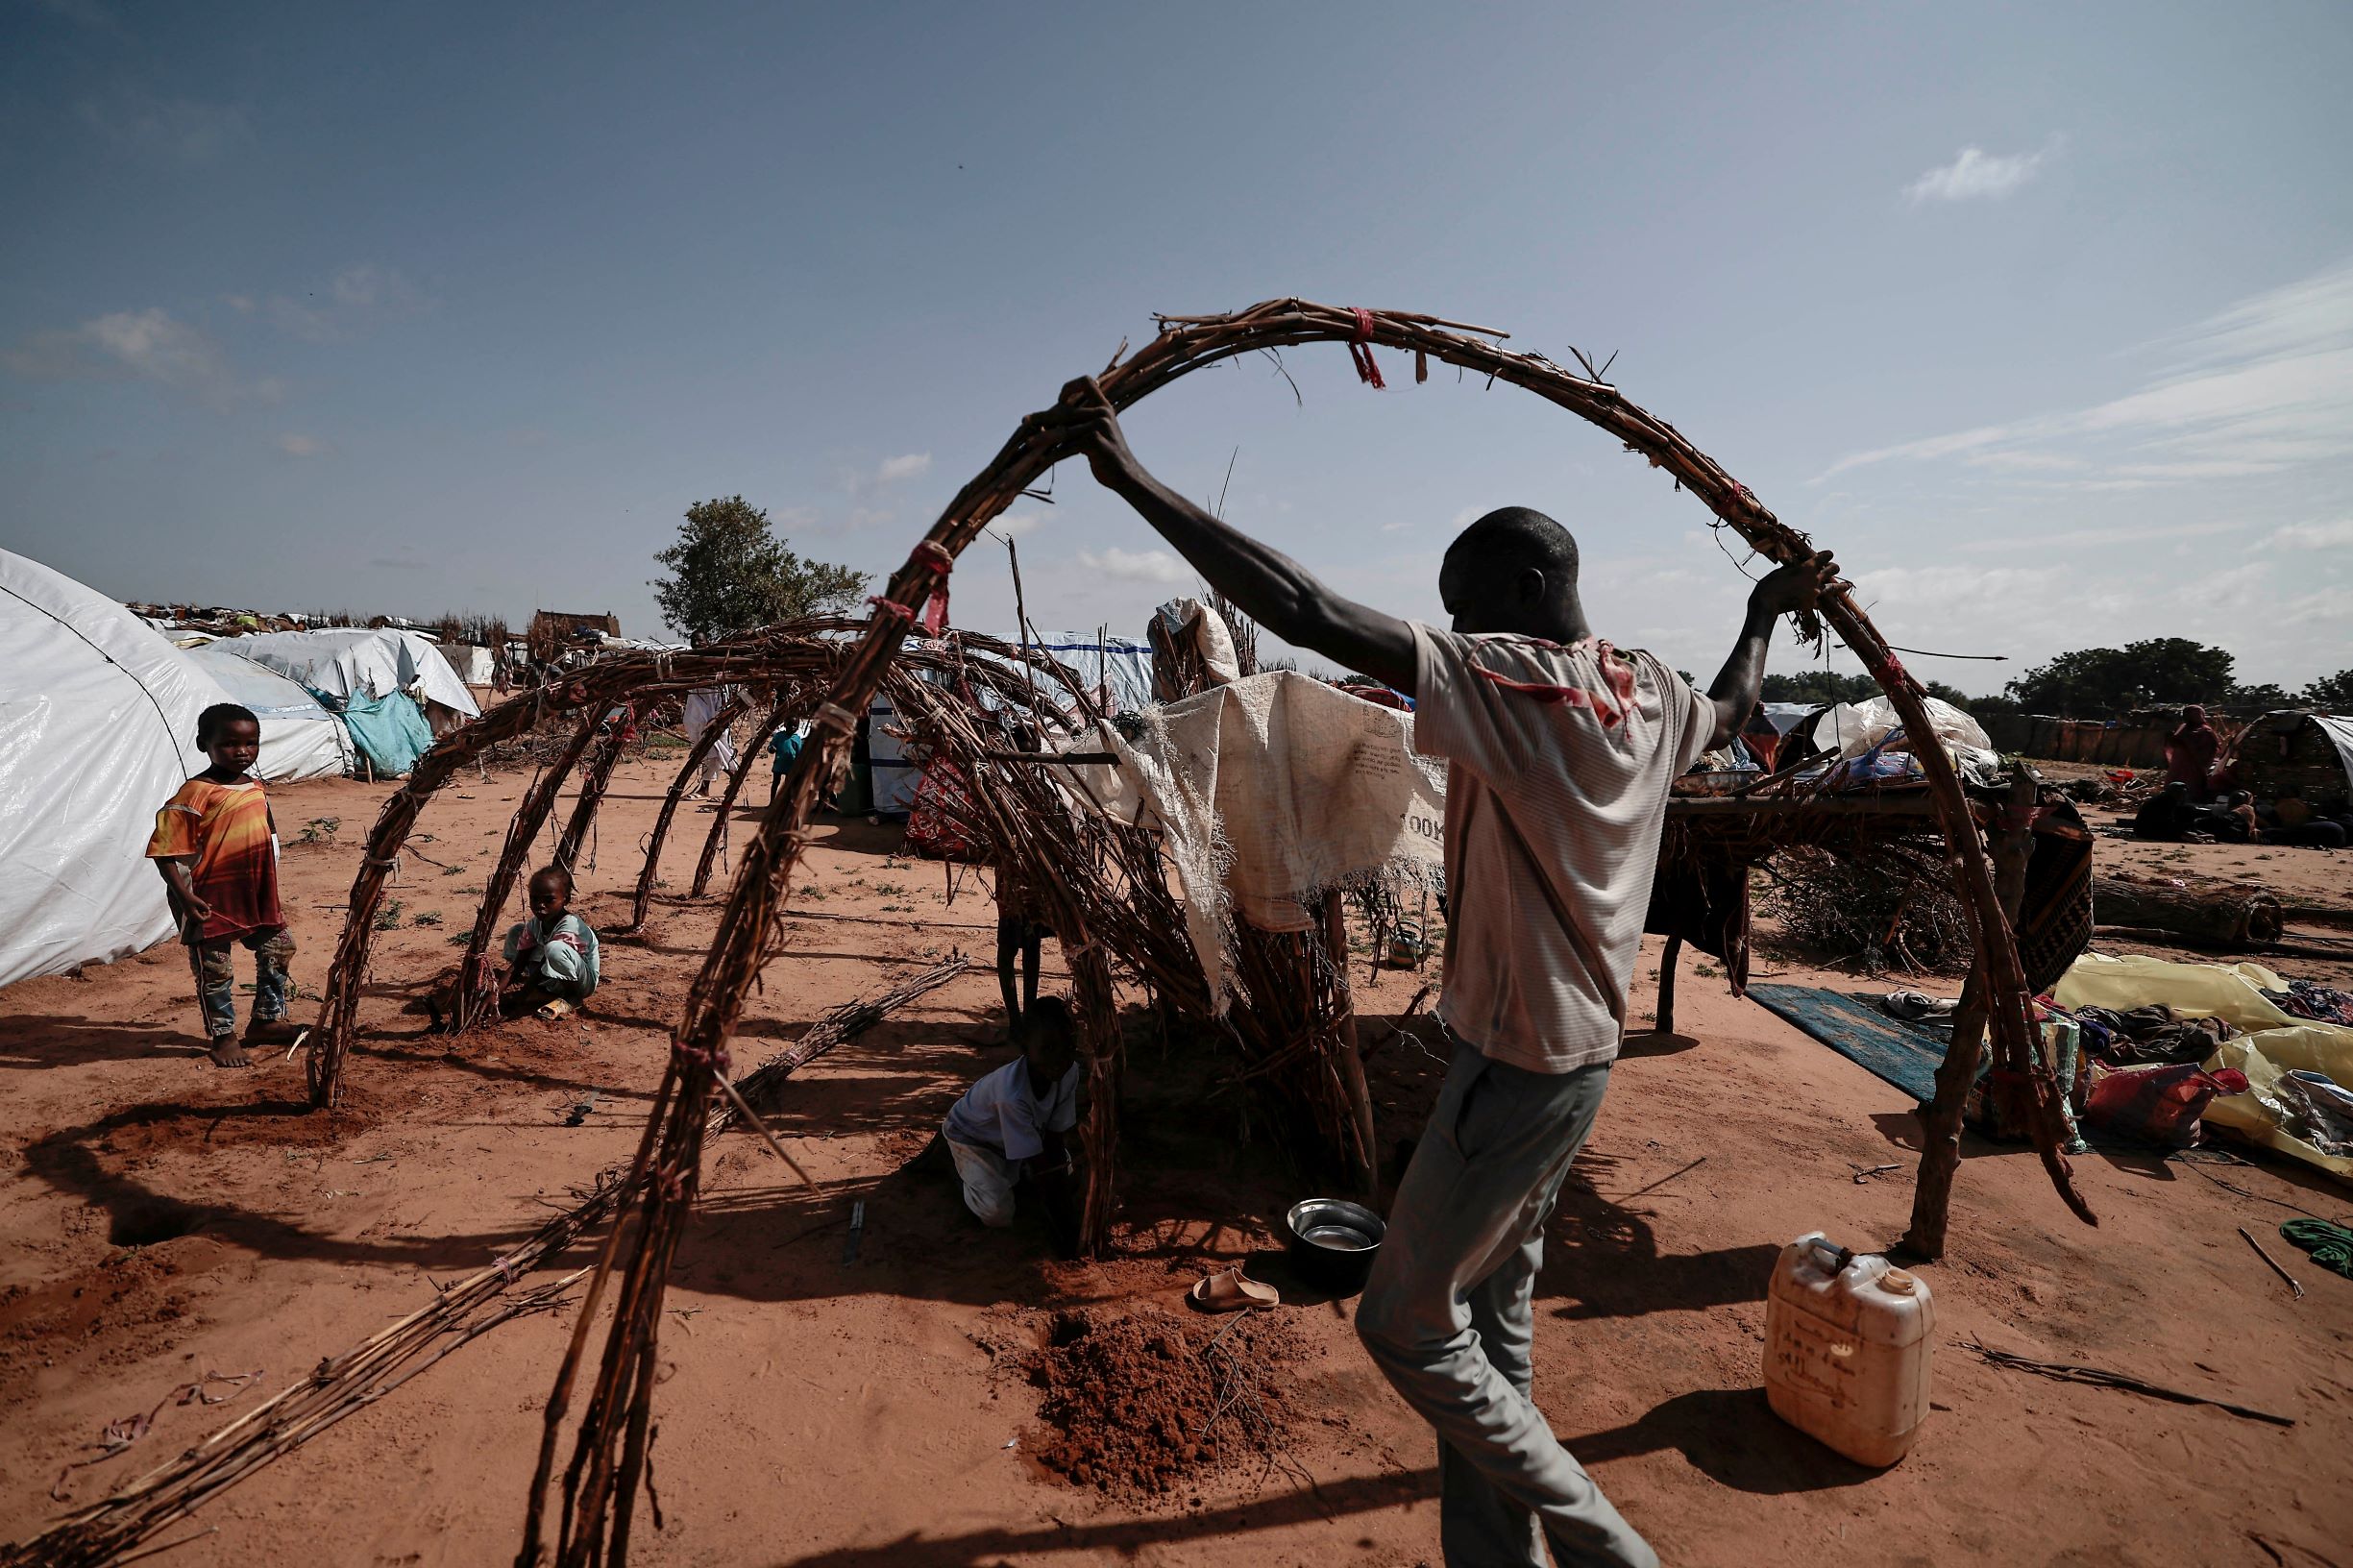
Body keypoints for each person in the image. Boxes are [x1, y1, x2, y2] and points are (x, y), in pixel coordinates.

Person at [1060, 378, 1834, 1568]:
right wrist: (1762, 609)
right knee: (1493, 1316)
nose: (1455, 635)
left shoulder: (1512, 681)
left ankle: (1607, 1552)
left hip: (1515, 1067)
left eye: (1465, 609)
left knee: (1405, 1325)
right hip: (1573, 1065)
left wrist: (1128, 478)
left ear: (1524, 595)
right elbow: (1733, 711)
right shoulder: (1641, 690)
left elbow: (1308, 608)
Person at [147, 703, 299, 1067]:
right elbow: (165, 854)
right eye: (230, 743)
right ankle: (223, 1036)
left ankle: (266, 1020)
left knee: (279, 948)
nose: (242, 751)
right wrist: (185, 898)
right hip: (208, 897)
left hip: (254, 895)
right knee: (215, 968)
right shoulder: (193, 795)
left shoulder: (254, 788)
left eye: (251, 743)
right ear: (204, 744)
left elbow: (268, 835)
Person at [939, 994, 1081, 1248]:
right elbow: (1042, 1164)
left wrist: (1059, 1182)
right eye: (1047, 1048)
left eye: (1068, 1047)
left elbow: (1055, 1135)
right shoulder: (1012, 1094)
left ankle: (1013, 1171)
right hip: (972, 1138)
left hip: (1014, 1138)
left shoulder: (1069, 1073)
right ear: (1025, 1048)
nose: (1059, 1058)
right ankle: (957, 1172)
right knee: (998, 1213)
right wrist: (1065, 1224)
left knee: (1065, 1177)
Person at [502, 866, 601, 1019]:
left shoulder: (570, 926)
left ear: (565, 899)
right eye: (534, 899)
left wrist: (520, 998)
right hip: (553, 973)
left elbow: (544, 964)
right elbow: (519, 962)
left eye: (549, 900)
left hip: (582, 981)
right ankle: (545, 991)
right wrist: (496, 993)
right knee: (517, 931)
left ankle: (572, 997)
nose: (540, 905)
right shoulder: (536, 924)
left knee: (554, 949)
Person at [683, 686, 739, 796]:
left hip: (711, 697)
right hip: (700, 692)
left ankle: (733, 776)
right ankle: (705, 788)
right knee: (709, 753)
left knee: (713, 751)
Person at [2165, 704, 2220, 801]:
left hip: (2187, 766)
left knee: (2182, 791)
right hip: (2186, 767)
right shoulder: (2191, 729)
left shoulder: (2199, 731)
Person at [769, 720, 806, 807]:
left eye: (795, 726)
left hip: (791, 765)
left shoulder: (797, 738)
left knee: (789, 785)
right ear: (785, 725)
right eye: (790, 725)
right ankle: (772, 802)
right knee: (775, 783)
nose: (792, 728)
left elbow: (799, 753)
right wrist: (772, 748)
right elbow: (771, 747)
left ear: (797, 727)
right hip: (779, 764)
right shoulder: (779, 736)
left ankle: (787, 803)